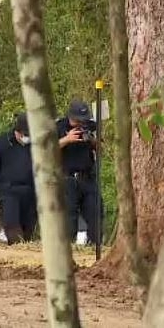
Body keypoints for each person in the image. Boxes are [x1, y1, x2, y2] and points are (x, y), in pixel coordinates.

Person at [0, 113, 36, 245]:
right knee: (12, 228)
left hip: (30, 192)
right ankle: (16, 247)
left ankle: (24, 256)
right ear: (17, 132)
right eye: (24, 135)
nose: (26, 138)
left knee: (28, 230)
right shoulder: (2, 143)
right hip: (8, 191)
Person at [57, 100, 102, 244]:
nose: (80, 123)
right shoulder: (59, 126)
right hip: (67, 179)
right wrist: (67, 139)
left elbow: (101, 148)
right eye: (78, 120)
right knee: (69, 218)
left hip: (88, 177)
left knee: (96, 213)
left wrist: (92, 140)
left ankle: (95, 245)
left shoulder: (89, 126)